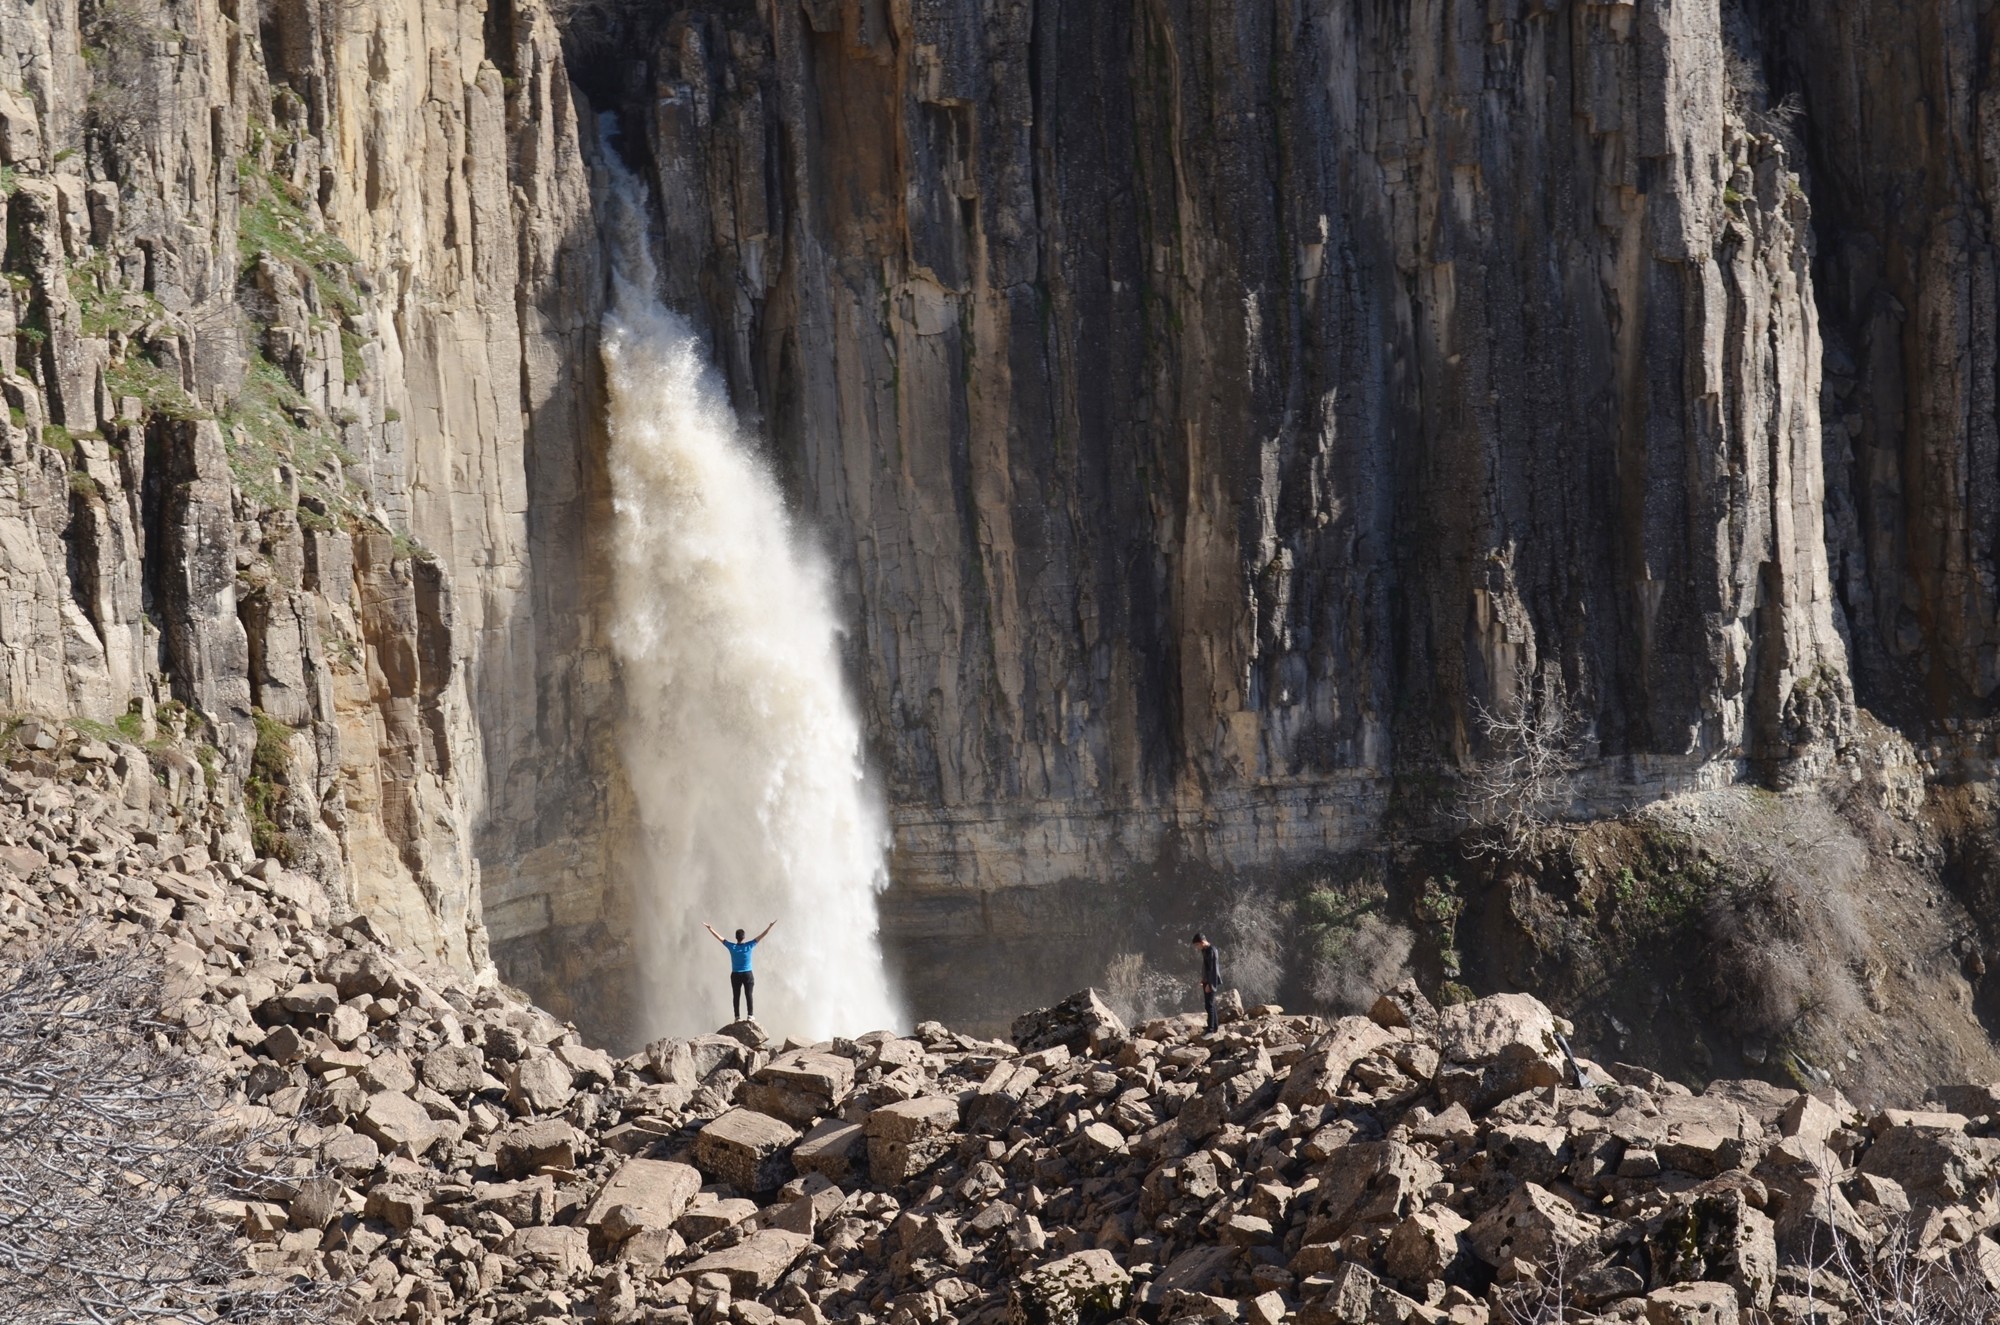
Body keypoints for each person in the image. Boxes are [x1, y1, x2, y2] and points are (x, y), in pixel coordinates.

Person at [705, 921, 774, 1020]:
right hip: (747, 974)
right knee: (748, 994)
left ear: (736, 937)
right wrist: (769, 927)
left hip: (736, 975)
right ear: (744, 937)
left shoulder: (732, 946)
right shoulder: (749, 945)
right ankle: (750, 1015)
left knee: (736, 996)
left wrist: (710, 928)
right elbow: (762, 935)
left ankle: (737, 1017)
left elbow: (719, 938)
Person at [1191, 932, 1221, 1033]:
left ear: (1202, 942)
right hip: (1207, 980)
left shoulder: (1211, 951)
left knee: (1210, 1005)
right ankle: (1214, 1026)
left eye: (1197, 945)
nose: (1197, 948)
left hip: (1211, 981)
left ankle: (1211, 1029)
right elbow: (1206, 967)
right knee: (1209, 1004)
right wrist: (1203, 979)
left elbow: (1213, 969)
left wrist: (1210, 984)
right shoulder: (1205, 950)